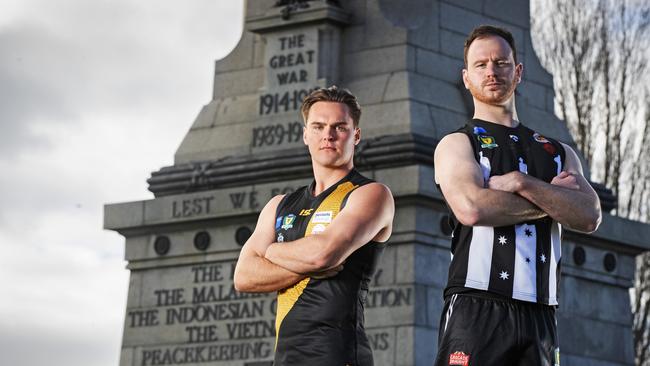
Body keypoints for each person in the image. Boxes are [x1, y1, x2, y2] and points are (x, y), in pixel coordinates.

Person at [433, 25, 601, 366]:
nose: (492, 71)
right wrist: (555, 201)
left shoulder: (557, 151)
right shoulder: (458, 143)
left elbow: (588, 215)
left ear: (518, 71)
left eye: (501, 62)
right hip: (477, 304)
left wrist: (524, 183)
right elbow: (472, 208)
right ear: (466, 78)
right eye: (481, 65)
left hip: (541, 310)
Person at [234, 86, 395, 366]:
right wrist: (303, 260)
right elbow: (244, 276)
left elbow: (323, 255)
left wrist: (269, 251)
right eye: (318, 126)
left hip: (338, 355)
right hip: (285, 358)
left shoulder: (370, 194)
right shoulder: (279, 205)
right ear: (305, 134)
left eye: (339, 127)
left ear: (356, 135)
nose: (328, 135)